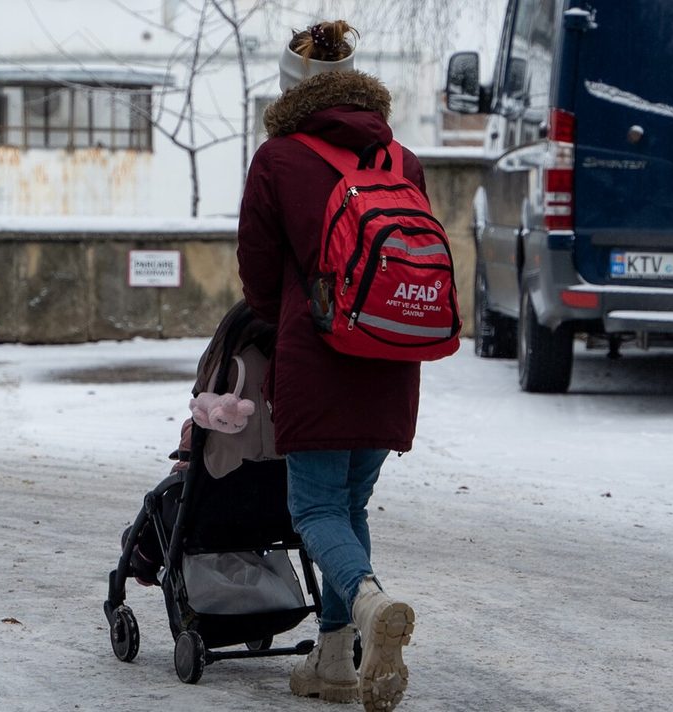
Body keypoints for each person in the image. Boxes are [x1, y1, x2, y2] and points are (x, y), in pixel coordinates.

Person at [236, 20, 424, 711]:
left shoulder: (279, 159)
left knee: (314, 506)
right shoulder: (400, 159)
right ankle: (336, 662)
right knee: (349, 505)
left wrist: (274, 317)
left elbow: (258, 271)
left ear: (289, 90)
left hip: (317, 352)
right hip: (393, 356)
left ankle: (371, 607)